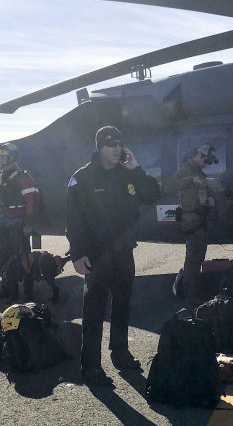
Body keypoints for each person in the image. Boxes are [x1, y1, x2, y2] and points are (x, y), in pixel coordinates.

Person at [66, 126, 161, 386]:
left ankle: (120, 353)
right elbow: (74, 220)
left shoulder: (127, 174)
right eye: (111, 145)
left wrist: (137, 170)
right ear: (100, 148)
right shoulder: (82, 178)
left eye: (120, 144)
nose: (117, 149)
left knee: (122, 306)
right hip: (96, 257)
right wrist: (77, 254)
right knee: (94, 312)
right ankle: (91, 366)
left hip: (123, 254)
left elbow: (153, 194)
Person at [0, 142, 39, 301]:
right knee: (3, 258)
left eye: (3, 156)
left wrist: (28, 223)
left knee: (23, 258)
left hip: (19, 225)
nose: (0, 160)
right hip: (2, 224)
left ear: (13, 158)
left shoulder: (23, 177)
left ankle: (29, 292)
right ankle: (8, 290)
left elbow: (30, 202)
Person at [166, 144, 218, 302]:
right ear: (200, 156)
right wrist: (190, 179)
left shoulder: (198, 172)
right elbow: (170, 187)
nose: (207, 164)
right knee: (193, 259)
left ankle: (193, 291)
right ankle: (190, 295)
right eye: (207, 161)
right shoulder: (187, 170)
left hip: (199, 220)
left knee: (197, 257)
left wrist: (209, 200)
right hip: (192, 222)